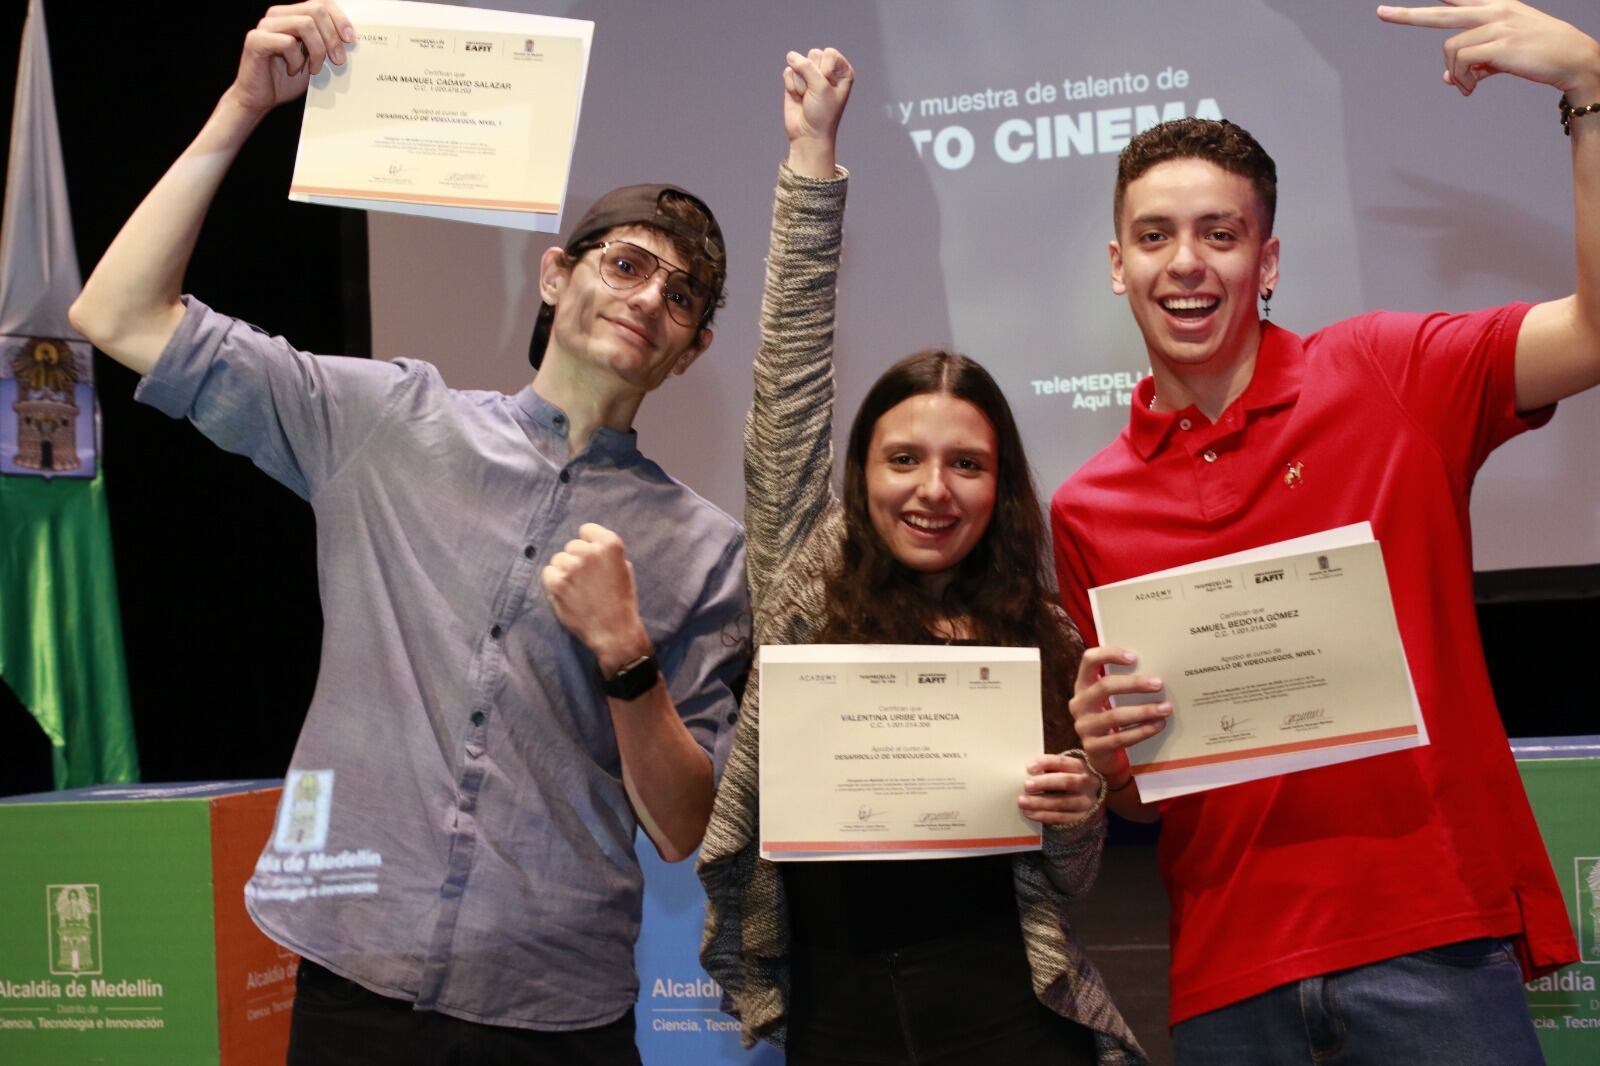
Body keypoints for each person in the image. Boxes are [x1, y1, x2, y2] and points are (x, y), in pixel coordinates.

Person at [68, 4, 748, 1063]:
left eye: (683, 294)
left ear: (691, 348)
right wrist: (242, 108)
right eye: (626, 264)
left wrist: (626, 658)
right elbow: (117, 315)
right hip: (356, 981)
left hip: (556, 1010)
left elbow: (682, 824)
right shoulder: (388, 421)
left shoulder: (706, 549)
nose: (650, 296)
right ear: (557, 275)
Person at [1051, 3, 1597, 1063]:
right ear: (1118, 265)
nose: (1186, 263)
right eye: (1155, 237)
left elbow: (1591, 331)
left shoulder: (1391, 374)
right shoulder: (1086, 506)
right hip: (1227, 980)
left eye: (1220, 235)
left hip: (1433, 948)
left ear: (1267, 262)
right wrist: (1110, 757)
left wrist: (1589, 86)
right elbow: (1144, 799)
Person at [697, 47, 1145, 1066]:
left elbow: (1070, 876)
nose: (933, 489)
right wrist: (812, 156)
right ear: (859, 472)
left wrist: (1077, 812)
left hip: (1006, 1011)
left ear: (1000, 483)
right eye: (902, 458)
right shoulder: (806, 580)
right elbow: (791, 378)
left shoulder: (1042, 630)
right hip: (835, 1011)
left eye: (966, 464)